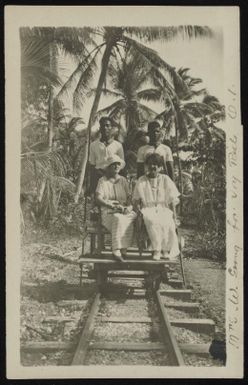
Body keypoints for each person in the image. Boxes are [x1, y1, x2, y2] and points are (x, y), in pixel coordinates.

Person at [133, 153, 180, 261]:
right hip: (147, 209)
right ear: (146, 166)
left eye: (155, 164)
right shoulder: (141, 180)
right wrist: (138, 212)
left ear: (160, 167)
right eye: (150, 164)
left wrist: (175, 216)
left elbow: (172, 199)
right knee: (152, 221)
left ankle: (166, 250)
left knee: (168, 221)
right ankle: (157, 250)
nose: (152, 167)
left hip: (163, 208)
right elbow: (136, 200)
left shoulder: (165, 179)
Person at [95, 155, 136, 262]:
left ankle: (124, 249)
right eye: (113, 164)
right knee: (118, 218)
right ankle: (116, 250)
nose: (116, 166)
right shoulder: (102, 181)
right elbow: (98, 198)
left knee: (131, 216)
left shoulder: (123, 180)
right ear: (108, 167)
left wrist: (129, 207)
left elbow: (129, 198)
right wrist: (111, 205)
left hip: (123, 209)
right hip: (108, 211)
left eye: (118, 164)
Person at [89, 117, 124, 193]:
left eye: (107, 125)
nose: (105, 128)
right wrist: (91, 186)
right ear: (100, 128)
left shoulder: (118, 145)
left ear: (111, 128)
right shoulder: (93, 145)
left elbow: (122, 165)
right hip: (98, 178)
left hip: (113, 178)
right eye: (103, 126)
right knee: (98, 201)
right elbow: (92, 166)